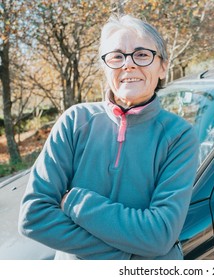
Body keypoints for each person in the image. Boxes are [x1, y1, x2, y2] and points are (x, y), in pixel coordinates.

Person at [18, 14, 199, 260]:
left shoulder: (179, 136)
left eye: (142, 54)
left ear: (163, 67)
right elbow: (34, 216)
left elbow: (159, 236)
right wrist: (131, 256)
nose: (128, 64)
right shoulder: (74, 122)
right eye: (116, 56)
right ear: (105, 67)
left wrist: (76, 202)